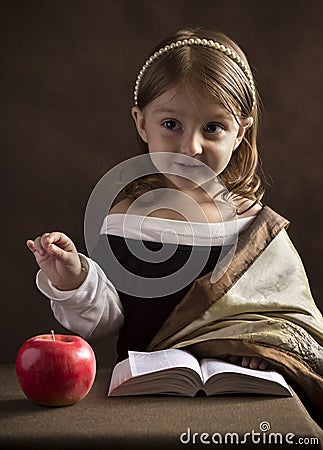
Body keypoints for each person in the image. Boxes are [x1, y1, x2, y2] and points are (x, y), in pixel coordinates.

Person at [26, 29, 322, 409]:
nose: (190, 147)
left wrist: (259, 347)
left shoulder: (253, 225)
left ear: (240, 133)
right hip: (144, 398)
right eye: (171, 125)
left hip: (239, 400)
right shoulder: (124, 218)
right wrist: (74, 278)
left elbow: (289, 319)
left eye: (213, 128)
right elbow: (108, 317)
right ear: (141, 122)